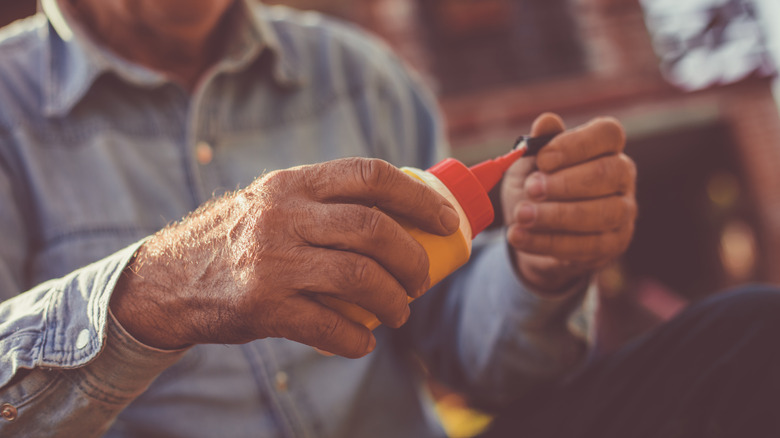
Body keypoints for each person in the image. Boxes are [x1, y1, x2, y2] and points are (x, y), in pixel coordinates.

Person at [0, 0, 638, 437]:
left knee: (733, 334)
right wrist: (161, 291)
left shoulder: (361, 74)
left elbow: (472, 357)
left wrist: (536, 270)